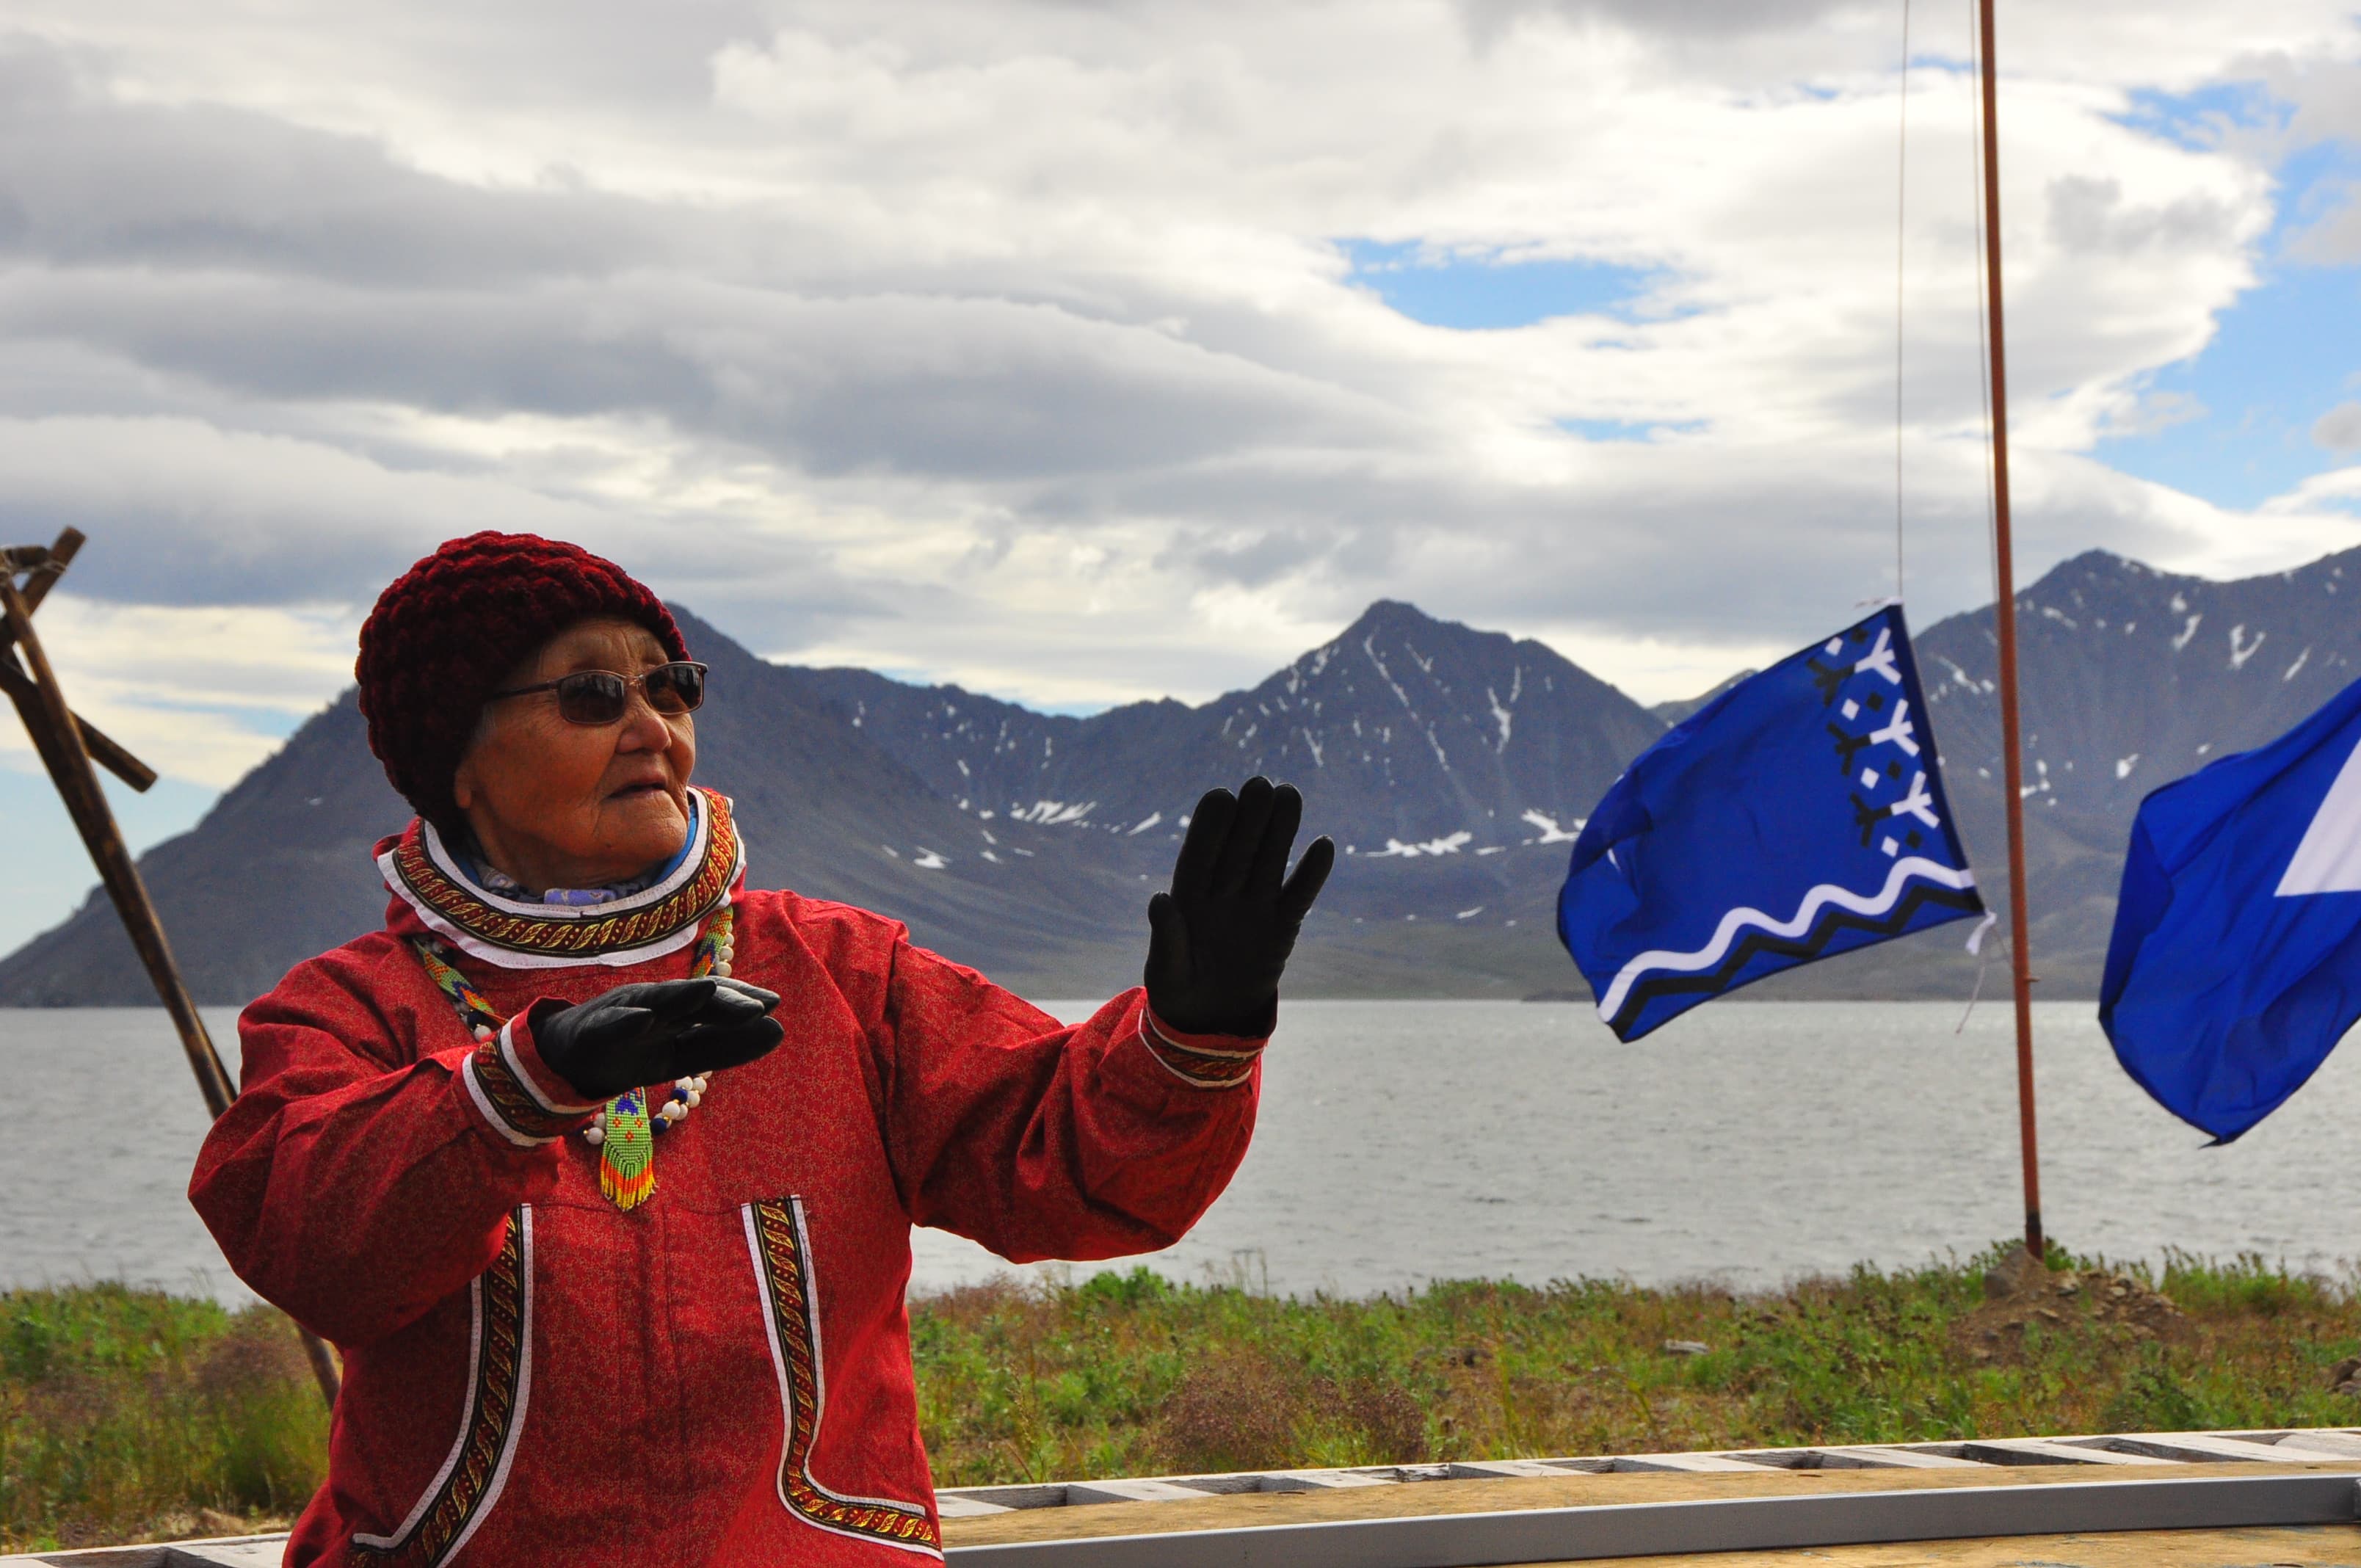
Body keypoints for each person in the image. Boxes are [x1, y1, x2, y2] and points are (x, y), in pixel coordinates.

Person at [189, 531, 1332, 1567]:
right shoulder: (350, 1012)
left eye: (670, 686)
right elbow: (309, 1243)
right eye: (592, 695)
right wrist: (516, 1087)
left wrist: (1194, 1036)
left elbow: (1073, 1171)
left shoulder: (842, 973)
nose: (652, 725)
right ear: (461, 761)